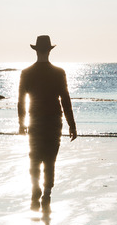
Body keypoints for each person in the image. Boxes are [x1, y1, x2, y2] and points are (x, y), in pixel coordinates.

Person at [18, 35, 77, 210]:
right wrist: (71, 125)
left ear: (36, 51)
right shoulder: (59, 73)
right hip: (53, 122)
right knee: (50, 160)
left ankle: (36, 189)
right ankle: (47, 193)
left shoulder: (26, 73)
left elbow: (21, 100)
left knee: (34, 158)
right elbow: (65, 100)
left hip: (35, 121)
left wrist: (21, 124)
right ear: (49, 51)